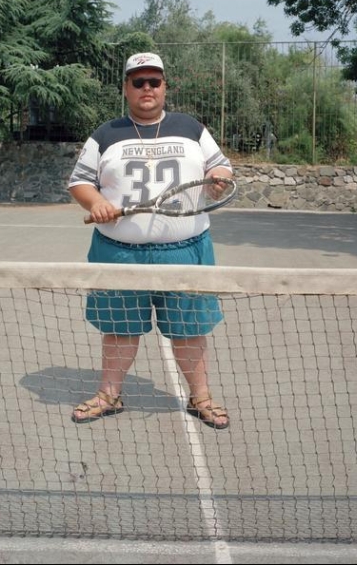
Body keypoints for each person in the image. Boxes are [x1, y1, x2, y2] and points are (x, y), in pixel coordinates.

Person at [67, 52, 233, 429]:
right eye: (138, 82)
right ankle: (109, 395)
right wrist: (97, 203)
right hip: (118, 253)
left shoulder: (191, 128)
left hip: (187, 251)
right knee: (119, 329)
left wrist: (219, 177)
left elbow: (219, 165)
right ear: (126, 88)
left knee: (189, 330)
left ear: (164, 87)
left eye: (154, 82)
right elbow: (79, 181)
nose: (147, 88)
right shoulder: (105, 134)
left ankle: (201, 397)